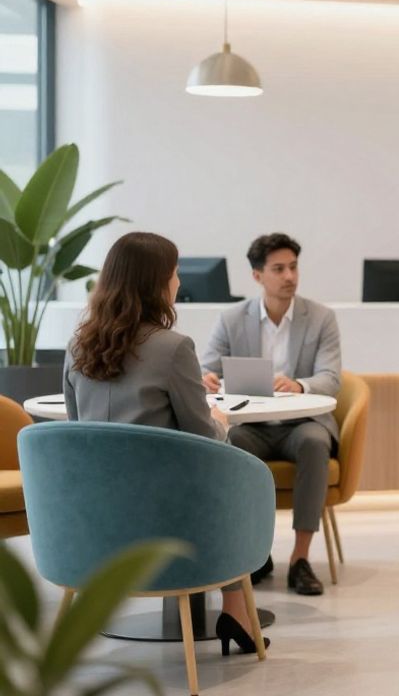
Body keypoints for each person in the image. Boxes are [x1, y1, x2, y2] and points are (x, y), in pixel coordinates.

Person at [64, 231, 267, 654]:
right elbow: (201, 438)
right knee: (232, 477)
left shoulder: (76, 347)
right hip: (161, 519)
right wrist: (220, 421)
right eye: (174, 275)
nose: (178, 284)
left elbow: (76, 429)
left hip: (89, 520)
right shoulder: (173, 348)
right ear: (156, 283)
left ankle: (235, 613)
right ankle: (236, 609)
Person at [201, 233, 342, 596]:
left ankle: (300, 559)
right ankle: (254, 554)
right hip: (253, 427)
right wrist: (208, 378)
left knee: (315, 442)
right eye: (278, 269)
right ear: (257, 276)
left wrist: (298, 384)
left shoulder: (321, 318)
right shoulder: (232, 319)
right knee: (230, 445)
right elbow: (204, 370)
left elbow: (331, 378)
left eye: (293, 267)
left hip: (301, 425)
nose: (289, 277)